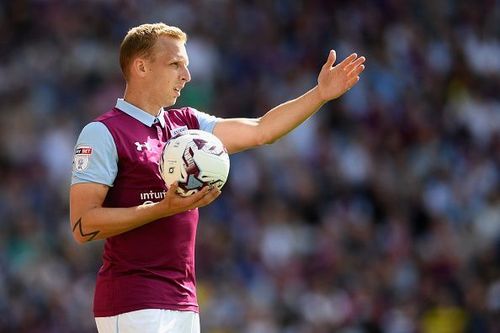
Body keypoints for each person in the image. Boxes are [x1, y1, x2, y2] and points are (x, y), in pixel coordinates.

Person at [70, 22, 365, 333]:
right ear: (141, 67)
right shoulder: (103, 132)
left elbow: (261, 130)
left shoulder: (187, 122)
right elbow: (82, 225)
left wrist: (319, 95)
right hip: (133, 301)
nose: (186, 75)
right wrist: (162, 208)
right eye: (175, 64)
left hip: (183, 301)